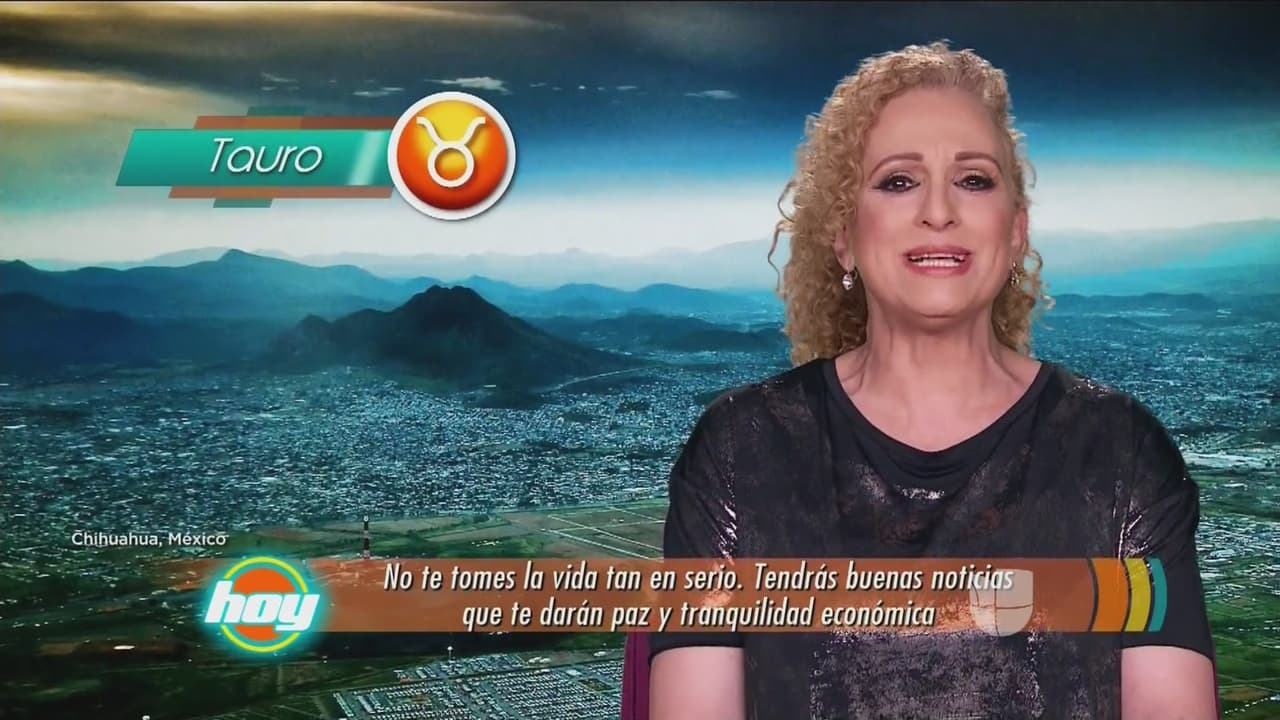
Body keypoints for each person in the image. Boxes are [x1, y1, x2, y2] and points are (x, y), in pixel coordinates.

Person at [646, 41, 1219, 719]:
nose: (939, 210)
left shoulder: (1120, 452)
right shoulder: (740, 450)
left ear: (1016, 232)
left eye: (974, 180)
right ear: (843, 237)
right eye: (898, 181)